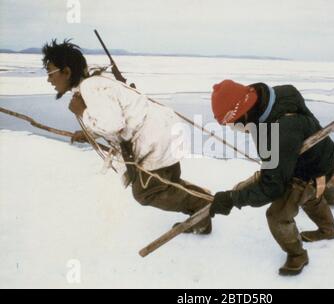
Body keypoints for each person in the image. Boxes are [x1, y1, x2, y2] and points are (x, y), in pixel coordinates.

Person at [42, 39, 211, 234]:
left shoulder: (91, 88)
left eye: (50, 73)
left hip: (154, 138)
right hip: (164, 129)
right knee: (166, 182)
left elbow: (113, 124)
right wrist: (89, 133)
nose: (49, 79)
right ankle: (202, 214)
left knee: (146, 192)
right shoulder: (98, 81)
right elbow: (112, 116)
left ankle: (202, 206)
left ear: (66, 71)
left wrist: (82, 113)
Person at [209, 80, 334, 275]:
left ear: (243, 113)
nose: (232, 129)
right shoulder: (268, 101)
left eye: (231, 124)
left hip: (311, 168)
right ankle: (328, 229)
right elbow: (273, 162)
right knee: (306, 197)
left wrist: (233, 199)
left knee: (278, 214)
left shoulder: (283, 130)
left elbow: (273, 188)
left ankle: (297, 255)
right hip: (299, 157)